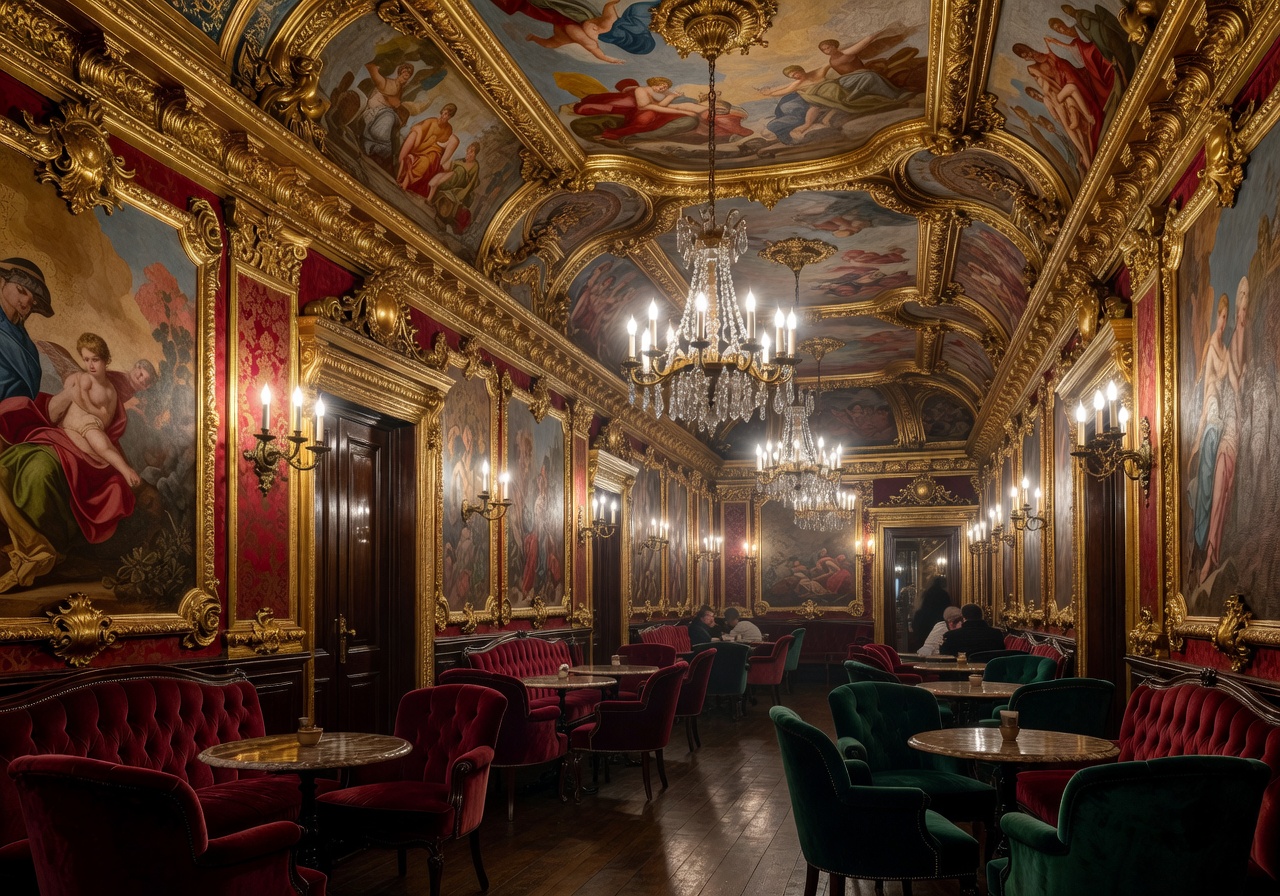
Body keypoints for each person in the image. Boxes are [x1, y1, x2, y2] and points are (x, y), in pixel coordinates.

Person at [0, 332, 142, 592]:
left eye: (95, 359)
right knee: (7, 466)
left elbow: (100, 418)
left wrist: (79, 397)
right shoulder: (80, 380)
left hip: (85, 440)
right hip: (59, 435)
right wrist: (69, 394)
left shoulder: (108, 391)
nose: (89, 364)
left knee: (46, 468)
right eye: (85, 359)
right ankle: (28, 542)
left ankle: (38, 550)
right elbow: (53, 412)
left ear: (106, 360)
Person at [0, 258, 53, 402]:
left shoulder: (27, 343)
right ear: (2, 281)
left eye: (33, 300)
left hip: (17, 414)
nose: (25, 302)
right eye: (21, 290)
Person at [398, 104, 458, 198]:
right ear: (442, 111)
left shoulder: (449, 129)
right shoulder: (431, 122)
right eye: (445, 113)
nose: (445, 116)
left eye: (448, 115)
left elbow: (442, 148)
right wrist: (429, 142)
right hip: (422, 149)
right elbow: (419, 140)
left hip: (434, 155)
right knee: (420, 161)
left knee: (426, 162)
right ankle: (405, 183)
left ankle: (405, 183)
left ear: (451, 117)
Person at [939, 604, 1007, 656]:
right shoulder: (996, 634)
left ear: (963, 618)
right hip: (989, 672)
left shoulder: (951, 636)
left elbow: (945, 656)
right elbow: (1000, 655)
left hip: (960, 673)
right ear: (981, 616)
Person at [910, 575, 952, 651]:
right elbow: (947, 609)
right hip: (936, 620)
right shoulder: (943, 593)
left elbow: (920, 607)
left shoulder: (926, 593)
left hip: (924, 621)